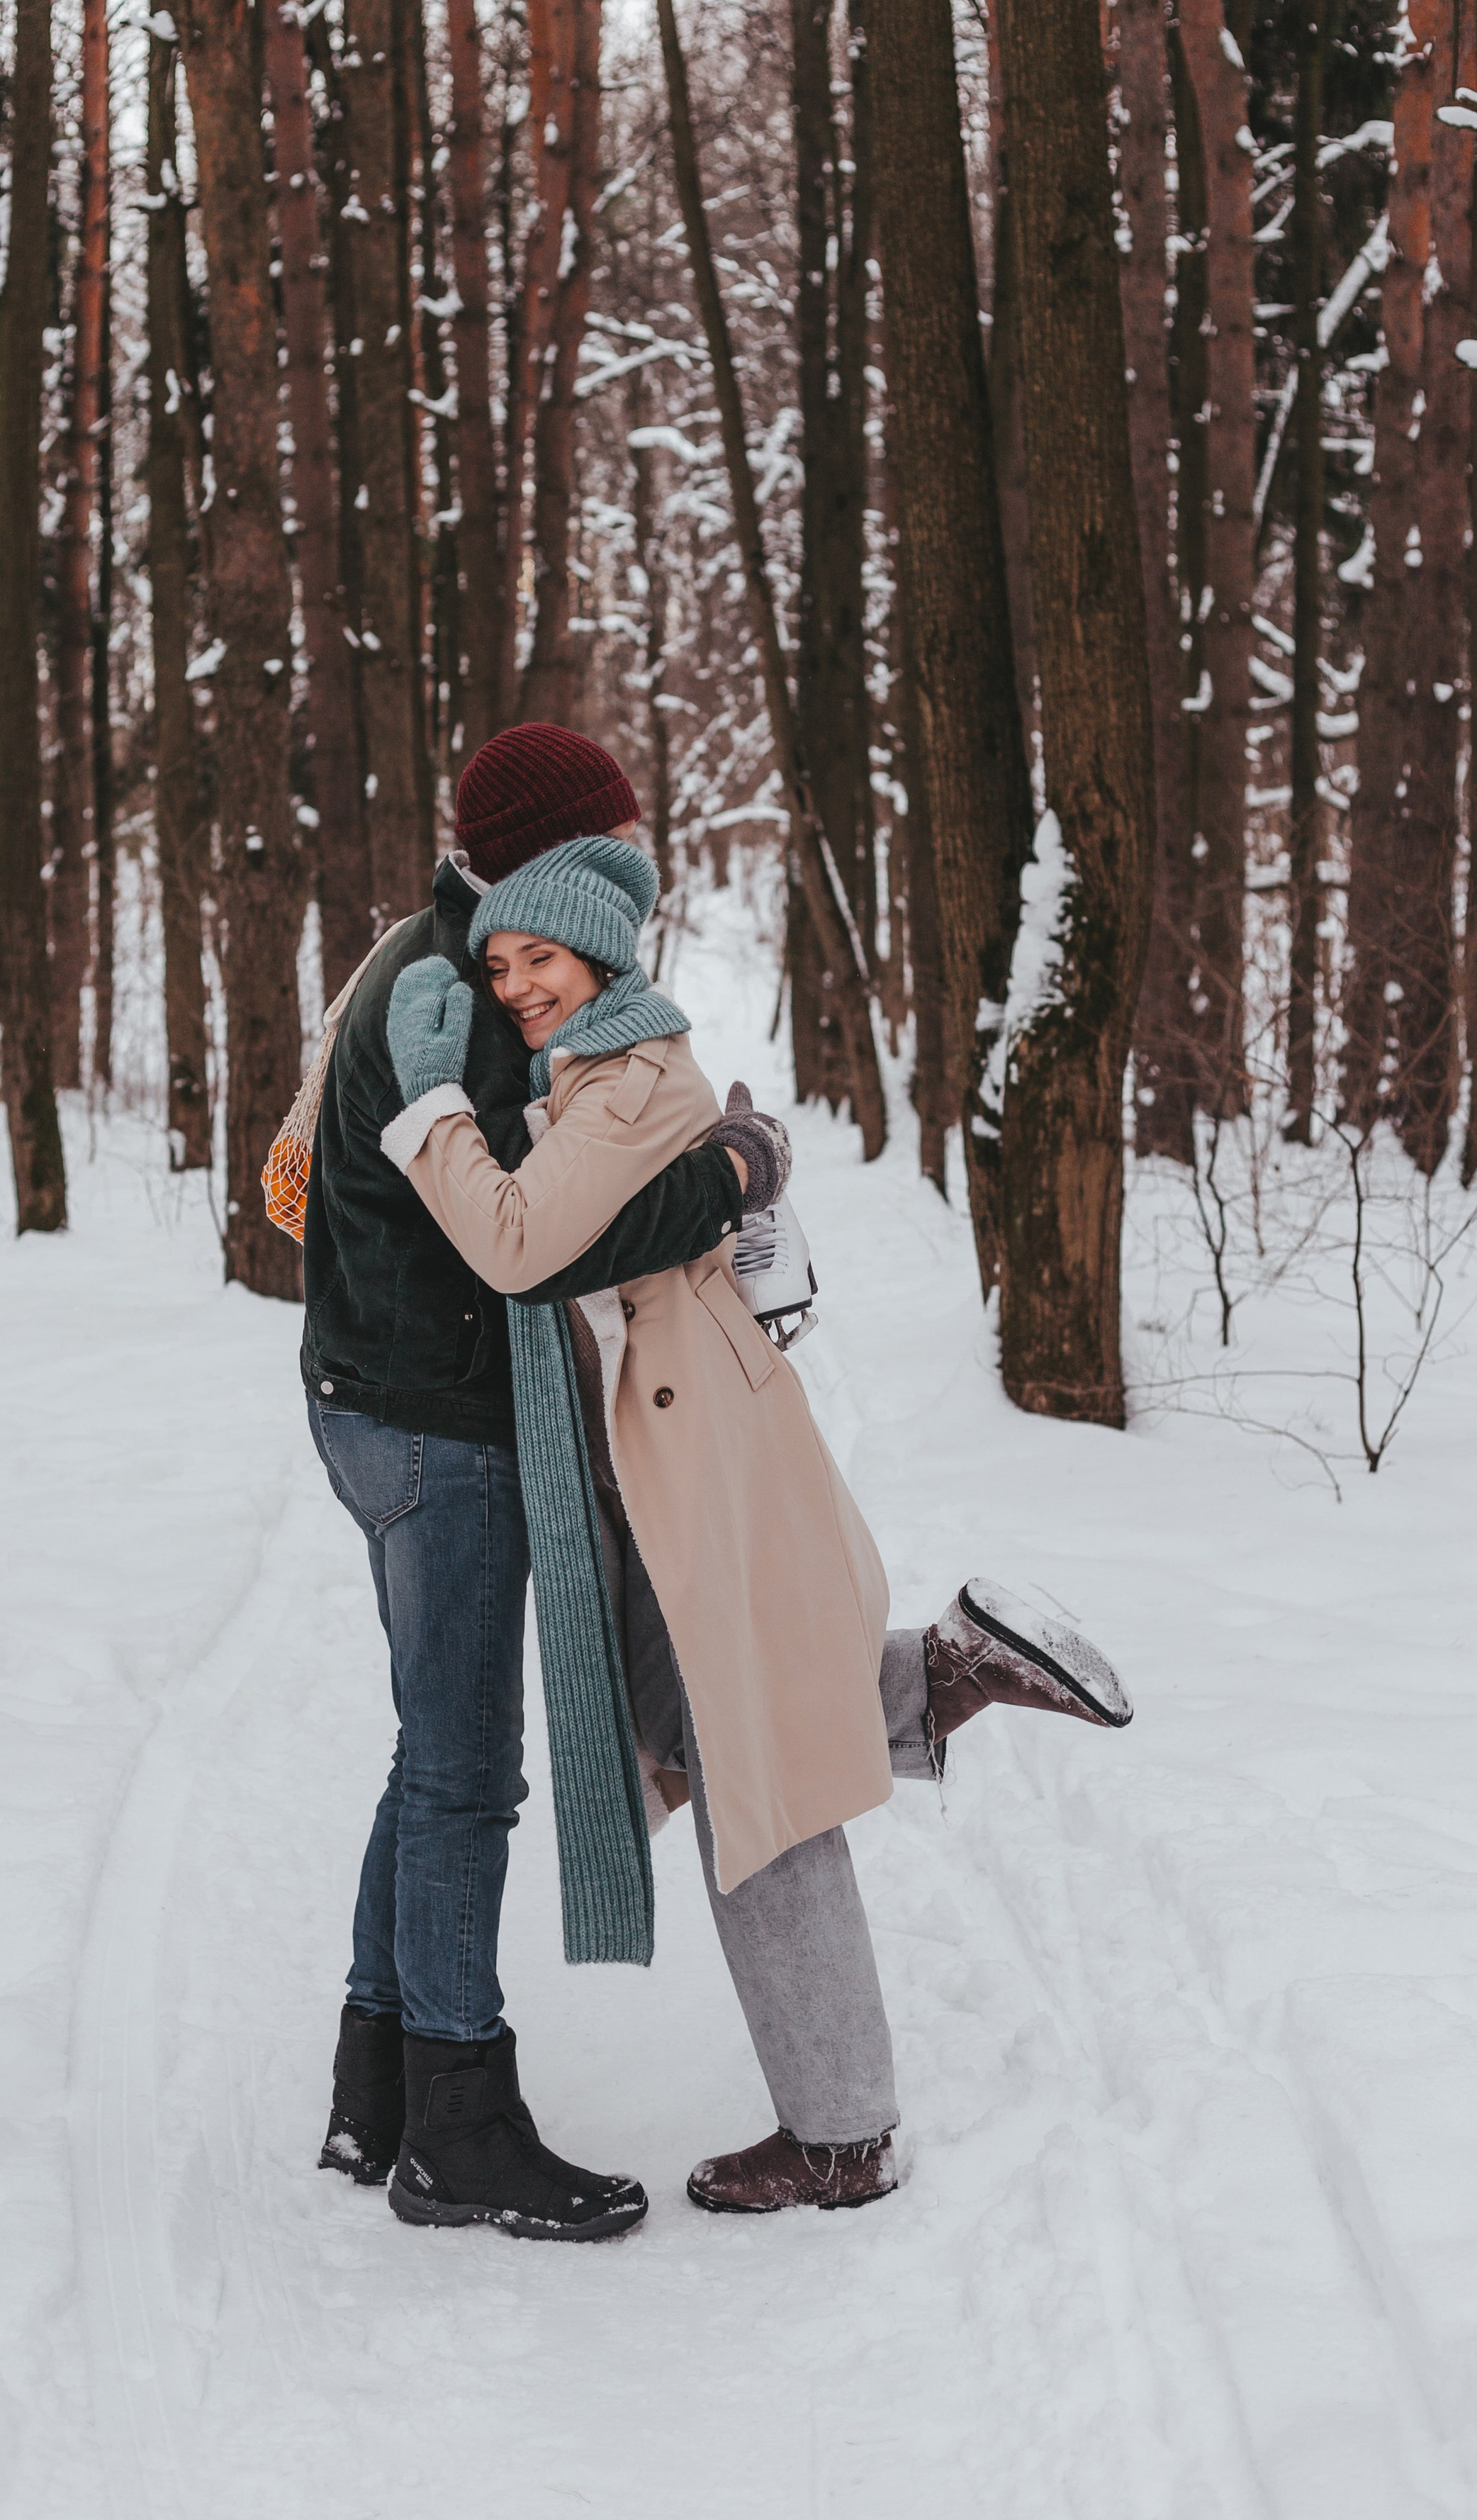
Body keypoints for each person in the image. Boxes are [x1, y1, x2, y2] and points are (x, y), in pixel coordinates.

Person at [373, 829, 1134, 2228]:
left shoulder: (621, 1080)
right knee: (694, 1722)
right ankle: (941, 1671)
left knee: (749, 1783)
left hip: (684, 1460)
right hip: (661, 1463)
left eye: (537, 956)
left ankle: (843, 2133)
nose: (516, 983)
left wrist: (429, 1106)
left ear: (598, 958)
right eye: (499, 964)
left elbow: (517, 1244)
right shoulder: (602, 1080)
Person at [301, 726, 756, 2244]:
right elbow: (548, 1232)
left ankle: (377, 2080)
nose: (636, 860)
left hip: (378, 1398)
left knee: (429, 1749)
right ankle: (456, 2124)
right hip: (434, 1418)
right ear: (558, 859)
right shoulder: (482, 986)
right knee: (462, 1774)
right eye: (614, 839)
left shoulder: (441, 951)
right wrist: (733, 1176)